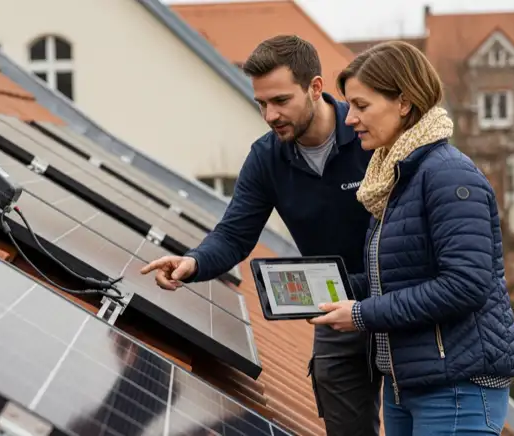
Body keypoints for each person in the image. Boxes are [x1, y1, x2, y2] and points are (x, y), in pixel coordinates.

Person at [139, 35, 381, 436]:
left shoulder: (368, 137)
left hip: (396, 298)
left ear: (315, 87)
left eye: (281, 101)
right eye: (262, 104)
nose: (270, 115)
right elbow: (235, 234)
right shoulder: (267, 157)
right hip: (334, 313)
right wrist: (193, 262)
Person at [310, 40, 514, 434]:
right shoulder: (394, 178)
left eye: (362, 105)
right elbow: (397, 276)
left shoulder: (448, 176)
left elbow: (465, 285)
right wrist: (328, 286)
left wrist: (361, 314)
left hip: (456, 386)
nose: (350, 118)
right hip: (407, 383)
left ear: (404, 103)